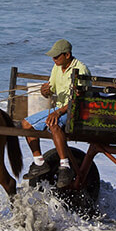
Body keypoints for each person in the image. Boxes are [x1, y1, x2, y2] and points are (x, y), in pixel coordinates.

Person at [21, 39, 91, 188]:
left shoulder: (80, 69)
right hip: (60, 108)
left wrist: (58, 112)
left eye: (57, 56)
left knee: (53, 124)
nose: (54, 59)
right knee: (26, 124)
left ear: (67, 55)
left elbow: (79, 99)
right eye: (53, 57)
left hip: (77, 110)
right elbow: (50, 90)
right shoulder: (56, 67)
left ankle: (65, 166)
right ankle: (39, 162)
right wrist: (44, 91)